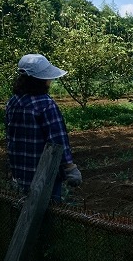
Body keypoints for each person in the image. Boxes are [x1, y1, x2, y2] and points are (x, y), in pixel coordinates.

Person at [6, 54, 82, 201]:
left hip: (20, 172)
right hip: (44, 175)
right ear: (40, 80)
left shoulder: (13, 102)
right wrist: (70, 168)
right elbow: (58, 141)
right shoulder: (45, 104)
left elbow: (10, 137)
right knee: (46, 213)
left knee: (23, 210)